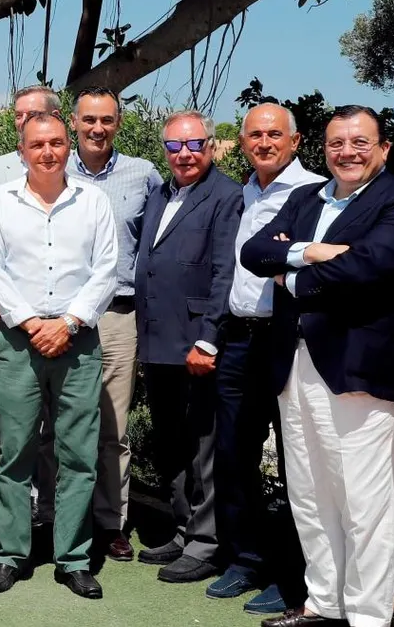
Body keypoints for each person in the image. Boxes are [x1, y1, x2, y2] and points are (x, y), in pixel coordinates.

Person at [240, 106, 394, 627]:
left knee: (365, 503)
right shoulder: (305, 197)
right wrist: (317, 251)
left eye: (359, 142)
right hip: (294, 363)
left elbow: (375, 265)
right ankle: (323, 604)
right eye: (336, 144)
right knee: (309, 492)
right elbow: (256, 252)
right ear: (321, 149)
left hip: (359, 370)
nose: (346, 152)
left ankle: (368, 617)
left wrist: (295, 272)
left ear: (384, 148)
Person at [0, 110, 119, 600]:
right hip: (20, 339)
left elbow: (107, 269)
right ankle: (10, 555)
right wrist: (32, 322)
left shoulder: (93, 201)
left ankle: (73, 558)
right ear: (22, 150)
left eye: (56, 142)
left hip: (78, 340)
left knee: (78, 454)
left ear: (67, 145)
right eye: (37, 144)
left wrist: (71, 322)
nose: (48, 152)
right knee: (14, 451)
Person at [37, 88, 162, 563]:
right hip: (55, 320)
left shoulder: (144, 175)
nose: (97, 128)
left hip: (116, 316)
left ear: (119, 123)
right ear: (72, 122)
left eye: (106, 120)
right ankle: (50, 515)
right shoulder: (52, 169)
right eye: (88, 119)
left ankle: (111, 521)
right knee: (51, 424)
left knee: (112, 427)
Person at [211, 103, 321, 615]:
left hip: (287, 340)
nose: (264, 142)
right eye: (255, 134)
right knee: (234, 455)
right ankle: (247, 558)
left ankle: (293, 574)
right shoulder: (243, 192)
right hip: (238, 339)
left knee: (298, 461)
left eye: (275, 134)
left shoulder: (316, 194)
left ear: (295, 142)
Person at [132, 111, 241, 583]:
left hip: (196, 342)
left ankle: (206, 542)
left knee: (202, 445)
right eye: (174, 147)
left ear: (212, 147)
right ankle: (183, 527)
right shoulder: (159, 194)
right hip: (158, 341)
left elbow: (224, 273)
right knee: (170, 443)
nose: (184, 154)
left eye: (194, 144)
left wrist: (208, 338)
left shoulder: (227, 196)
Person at [0, 86, 61, 191]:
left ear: (55, 116)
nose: (22, 122)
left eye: (32, 114)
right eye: (18, 116)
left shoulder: (75, 166)